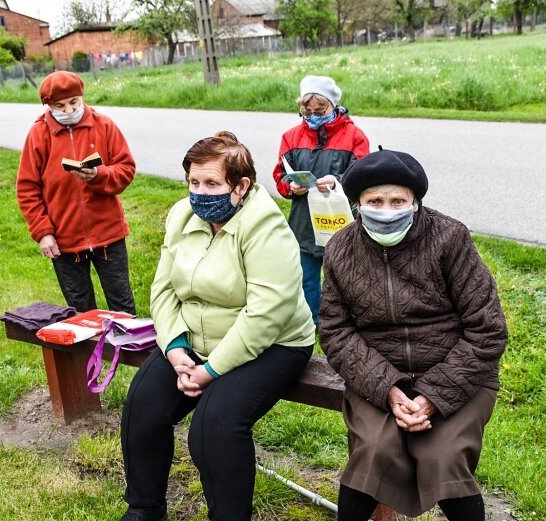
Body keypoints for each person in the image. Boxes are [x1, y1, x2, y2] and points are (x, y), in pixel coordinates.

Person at [120, 132, 315, 521]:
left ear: (241, 186)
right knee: (142, 405)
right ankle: (144, 508)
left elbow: (265, 315)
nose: (199, 192)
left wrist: (209, 371)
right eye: (193, 182)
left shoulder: (265, 227)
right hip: (193, 338)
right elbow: (162, 290)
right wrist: (175, 350)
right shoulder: (181, 215)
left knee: (215, 427)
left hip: (274, 343)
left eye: (212, 183)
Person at [318, 150, 508, 521]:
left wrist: (432, 397)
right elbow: (335, 330)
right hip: (375, 376)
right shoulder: (340, 248)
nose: (386, 209)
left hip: (458, 375)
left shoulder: (450, 239)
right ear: (358, 204)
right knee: (373, 451)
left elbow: (487, 329)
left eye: (398, 201)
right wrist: (389, 389)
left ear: (415, 203)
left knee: (444, 456)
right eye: (374, 201)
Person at [17, 71, 137, 315]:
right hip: (64, 241)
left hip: (108, 235)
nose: (69, 110)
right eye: (60, 106)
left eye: (74, 102)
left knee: (122, 304)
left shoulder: (104, 125)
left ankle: (129, 351)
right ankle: (87, 353)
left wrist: (99, 175)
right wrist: (43, 232)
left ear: (82, 97)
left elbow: (126, 169)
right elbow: (27, 188)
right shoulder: (38, 134)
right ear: (48, 105)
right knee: (80, 310)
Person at [272, 75, 370, 325]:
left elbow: (364, 176)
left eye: (320, 110)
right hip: (304, 222)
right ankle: (312, 322)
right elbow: (280, 175)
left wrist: (338, 182)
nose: (314, 115)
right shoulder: (290, 137)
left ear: (333, 105)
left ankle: (347, 321)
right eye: (307, 111)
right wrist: (291, 187)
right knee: (306, 277)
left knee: (345, 276)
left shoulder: (354, 135)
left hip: (340, 220)